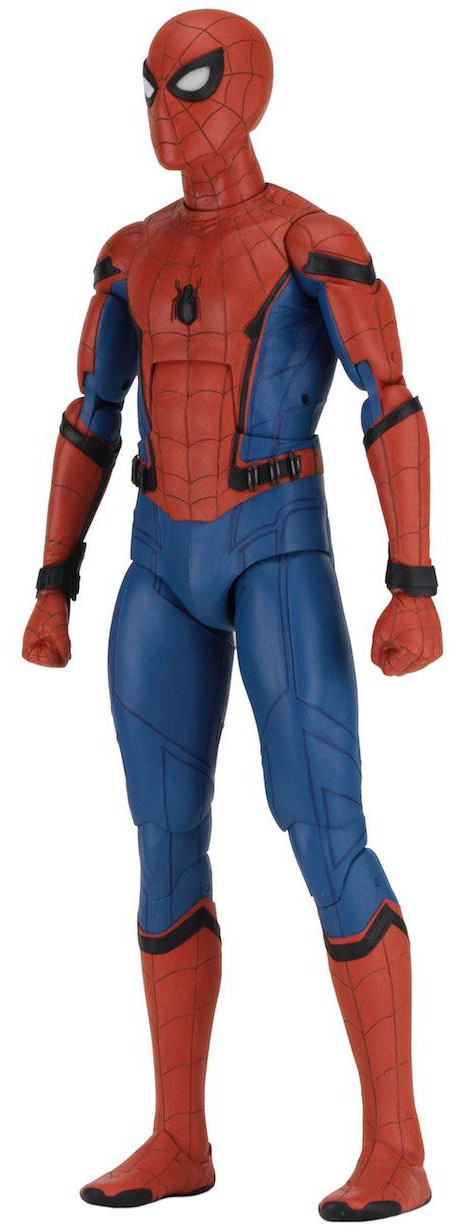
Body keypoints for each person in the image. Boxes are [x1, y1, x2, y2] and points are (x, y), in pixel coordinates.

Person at [23, 9, 442, 1219]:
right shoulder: (130, 253)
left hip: (275, 546)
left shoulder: (313, 239)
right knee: (163, 842)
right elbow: (90, 417)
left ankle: (397, 1146)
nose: (167, 109)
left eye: (192, 82)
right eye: (150, 86)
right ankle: (179, 1137)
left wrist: (412, 580)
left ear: (247, 88)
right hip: (158, 557)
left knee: (325, 829)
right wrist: (52, 580)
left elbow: (388, 399)